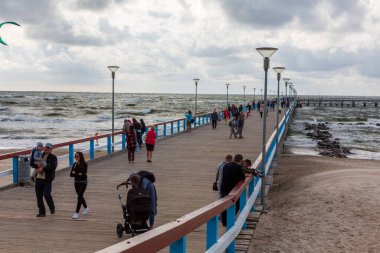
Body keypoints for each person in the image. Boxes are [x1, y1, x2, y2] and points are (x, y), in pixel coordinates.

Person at [220, 154, 245, 226]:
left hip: (224, 188)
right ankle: (230, 219)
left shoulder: (226, 165)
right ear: (241, 160)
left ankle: (224, 222)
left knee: (224, 205)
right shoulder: (238, 167)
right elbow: (242, 178)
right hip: (232, 189)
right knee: (236, 204)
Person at [35, 143, 57, 217]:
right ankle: (42, 212)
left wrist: (43, 169)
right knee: (39, 196)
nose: (47, 149)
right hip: (38, 178)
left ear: (51, 149)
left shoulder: (53, 157)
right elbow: (32, 163)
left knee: (47, 194)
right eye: (46, 147)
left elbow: (53, 167)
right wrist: (36, 165)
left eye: (49, 148)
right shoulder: (39, 155)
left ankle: (52, 207)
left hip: (47, 179)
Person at [70, 151, 89, 219]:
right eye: (75, 156)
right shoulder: (75, 164)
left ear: (81, 156)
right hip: (76, 182)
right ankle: (86, 208)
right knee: (80, 196)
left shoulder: (84, 164)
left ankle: (76, 213)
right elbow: (71, 174)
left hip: (83, 182)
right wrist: (78, 173)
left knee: (79, 197)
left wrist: (76, 173)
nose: (76, 158)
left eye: (77, 156)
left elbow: (83, 174)